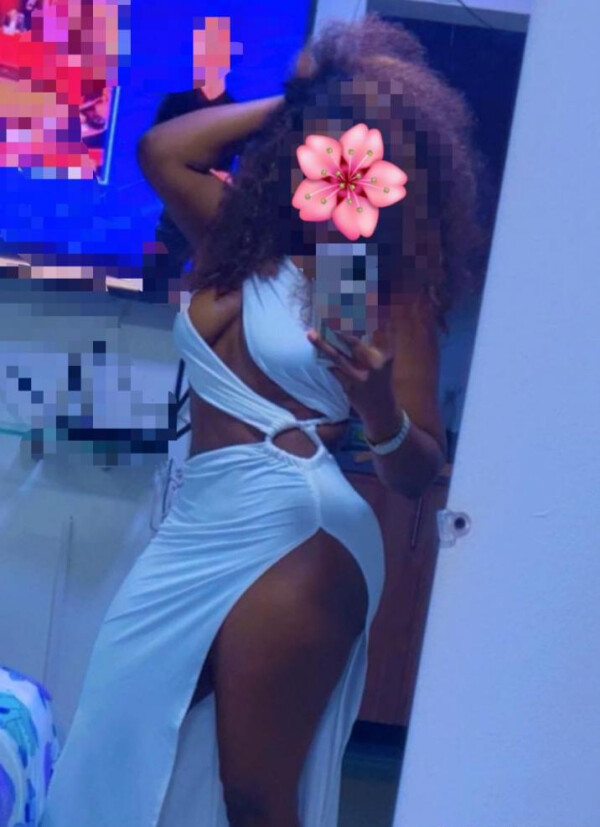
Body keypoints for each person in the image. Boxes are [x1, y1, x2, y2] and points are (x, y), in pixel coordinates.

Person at [39, 13, 491, 827]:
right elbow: (161, 150)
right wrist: (299, 96)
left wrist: (377, 406)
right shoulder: (236, 242)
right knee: (114, 740)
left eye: (361, 155)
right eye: (324, 145)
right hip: (196, 522)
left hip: (298, 528)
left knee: (253, 791)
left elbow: (418, 471)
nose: (339, 166)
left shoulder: (386, 294)